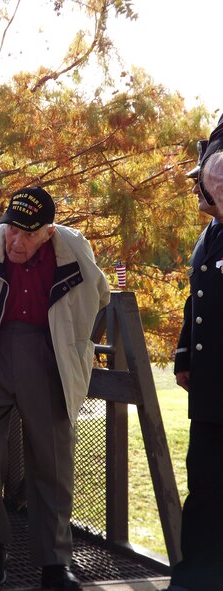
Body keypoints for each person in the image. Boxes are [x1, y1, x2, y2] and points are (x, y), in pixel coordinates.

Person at [0, 187, 110, 590]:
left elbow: (98, 297)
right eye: (12, 229)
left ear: (49, 232)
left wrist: (72, 349)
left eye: (28, 233)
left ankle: (54, 562)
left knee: (52, 462)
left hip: (46, 357)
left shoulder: (74, 248)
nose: (16, 241)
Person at [162, 132, 223, 591]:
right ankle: (194, 579)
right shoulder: (210, 234)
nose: (195, 189)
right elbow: (195, 300)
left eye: (199, 180)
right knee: (204, 489)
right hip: (209, 392)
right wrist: (185, 353)